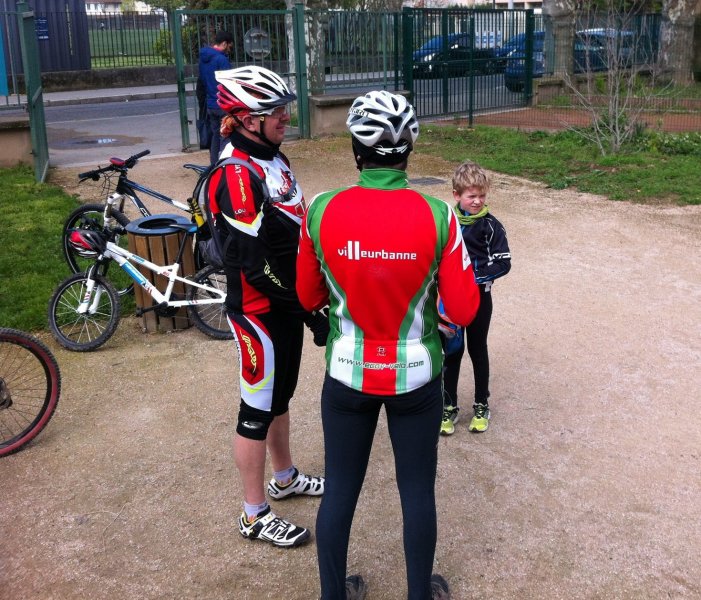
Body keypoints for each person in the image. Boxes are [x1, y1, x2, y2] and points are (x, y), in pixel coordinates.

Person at [296, 91, 481, 600]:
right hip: (417, 376)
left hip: (347, 372)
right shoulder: (440, 214)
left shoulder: (321, 209)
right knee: (416, 492)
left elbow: (307, 293)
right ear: (407, 153)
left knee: (340, 490)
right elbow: (464, 310)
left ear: (356, 150)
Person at [205, 65, 329, 548]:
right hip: (259, 310)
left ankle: (285, 478)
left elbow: (289, 235)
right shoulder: (236, 174)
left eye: (284, 108)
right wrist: (306, 308)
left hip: (286, 306)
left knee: (281, 399)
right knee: (256, 410)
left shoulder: (272, 158)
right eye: (274, 111)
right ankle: (253, 514)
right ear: (246, 119)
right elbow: (255, 266)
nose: (285, 116)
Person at [440, 161, 511, 436]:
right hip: (449, 301)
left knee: (477, 349)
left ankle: (482, 404)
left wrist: (471, 277)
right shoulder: (447, 222)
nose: (478, 201)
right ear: (457, 195)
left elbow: (504, 263)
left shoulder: (492, 226)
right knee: (452, 352)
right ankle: (449, 406)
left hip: (480, 299)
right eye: (471, 196)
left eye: (482, 196)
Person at [198, 30, 233, 165]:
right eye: (229, 46)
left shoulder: (203, 58)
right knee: (226, 135)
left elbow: (202, 81)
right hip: (223, 103)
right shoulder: (221, 59)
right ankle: (225, 164)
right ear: (224, 44)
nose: (229, 50)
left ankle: (214, 164)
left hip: (210, 103)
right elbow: (228, 82)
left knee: (215, 136)